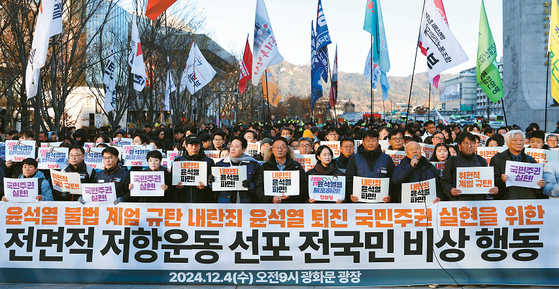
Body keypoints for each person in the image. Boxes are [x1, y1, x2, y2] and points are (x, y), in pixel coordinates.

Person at [442, 132, 498, 201]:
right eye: (466, 143)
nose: (469, 146)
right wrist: (450, 190)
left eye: (472, 143)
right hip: (459, 204)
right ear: (459, 145)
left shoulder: (481, 161)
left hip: (480, 204)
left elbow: (488, 183)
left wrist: (493, 190)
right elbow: (444, 182)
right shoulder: (452, 162)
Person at [490, 130, 546, 199]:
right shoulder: (497, 159)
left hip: (528, 202)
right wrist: (501, 180)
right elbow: (491, 182)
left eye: (521, 140)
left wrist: (540, 185)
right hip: (506, 202)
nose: (519, 143)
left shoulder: (531, 161)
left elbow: (537, 190)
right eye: (515, 140)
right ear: (507, 143)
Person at [254, 137, 308, 203]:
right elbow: (258, 187)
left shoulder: (295, 166)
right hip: (271, 207)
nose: (280, 150)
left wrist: (291, 196)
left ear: (287, 149)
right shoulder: (265, 167)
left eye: (283, 147)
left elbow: (304, 185)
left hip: (292, 205)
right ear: (272, 150)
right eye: (277, 147)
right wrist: (271, 199)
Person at [345, 130, 394, 203]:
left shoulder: (386, 158)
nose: (371, 143)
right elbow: (349, 179)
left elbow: (392, 180)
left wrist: (390, 195)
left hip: (381, 203)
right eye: (368, 140)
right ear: (363, 142)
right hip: (359, 201)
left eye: (374, 140)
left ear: (378, 141)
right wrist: (351, 194)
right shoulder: (355, 158)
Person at [214, 136, 260, 203]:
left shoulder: (253, 164)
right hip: (225, 203)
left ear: (243, 150)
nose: (233, 149)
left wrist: (249, 185)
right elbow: (214, 186)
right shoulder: (220, 164)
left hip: (244, 204)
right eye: (231, 146)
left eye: (237, 147)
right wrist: (212, 180)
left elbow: (258, 186)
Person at [174, 135, 215, 203]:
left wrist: (207, 184)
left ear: (200, 145)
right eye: (191, 145)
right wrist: (177, 186)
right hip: (183, 201)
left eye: (196, 145)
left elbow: (213, 183)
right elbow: (172, 183)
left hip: (202, 200)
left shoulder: (208, 161)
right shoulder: (178, 161)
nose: (194, 147)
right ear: (186, 146)